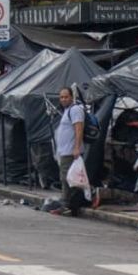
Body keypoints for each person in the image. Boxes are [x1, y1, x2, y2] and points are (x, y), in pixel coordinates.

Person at [53, 87, 85, 215]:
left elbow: (79, 129)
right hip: (64, 151)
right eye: (61, 97)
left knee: (67, 179)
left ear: (72, 97)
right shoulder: (67, 111)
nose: (63, 99)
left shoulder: (75, 110)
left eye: (66, 97)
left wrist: (76, 147)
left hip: (71, 152)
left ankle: (66, 205)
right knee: (68, 178)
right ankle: (70, 204)